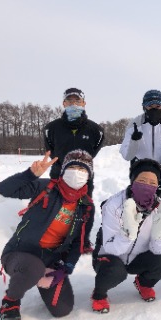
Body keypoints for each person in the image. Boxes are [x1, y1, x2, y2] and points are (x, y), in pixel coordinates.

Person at [0, 150, 95, 320]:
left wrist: (67, 267)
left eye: (83, 170)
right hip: (20, 253)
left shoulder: (86, 205)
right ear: (64, 170)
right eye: (72, 167)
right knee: (33, 269)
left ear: (89, 176)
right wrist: (30, 175)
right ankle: (10, 303)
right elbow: (3, 189)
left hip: (50, 259)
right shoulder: (45, 187)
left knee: (62, 309)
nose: (77, 172)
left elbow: (78, 241)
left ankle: (34, 276)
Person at [91, 159, 161, 313]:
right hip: (110, 257)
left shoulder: (160, 208)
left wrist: (159, 233)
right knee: (116, 272)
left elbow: (158, 251)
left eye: (152, 182)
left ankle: (143, 283)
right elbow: (109, 247)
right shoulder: (114, 205)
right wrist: (128, 234)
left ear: (157, 186)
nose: (147, 185)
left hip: (137, 258)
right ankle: (99, 294)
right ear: (133, 180)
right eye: (142, 180)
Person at [44, 87, 105, 251]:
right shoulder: (51, 128)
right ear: (64, 103)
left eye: (77, 101)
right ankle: (55, 239)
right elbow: (51, 150)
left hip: (84, 177)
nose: (74, 104)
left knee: (85, 209)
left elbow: (94, 151)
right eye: (70, 101)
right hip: (58, 175)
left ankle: (82, 242)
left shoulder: (96, 130)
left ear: (84, 103)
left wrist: (81, 167)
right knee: (56, 207)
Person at [120, 89, 161, 200]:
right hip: (139, 165)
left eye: (158, 106)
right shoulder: (134, 124)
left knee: (159, 199)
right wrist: (134, 141)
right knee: (137, 198)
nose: (154, 109)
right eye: (150, 106)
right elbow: (126, 155)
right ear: (144, 107)